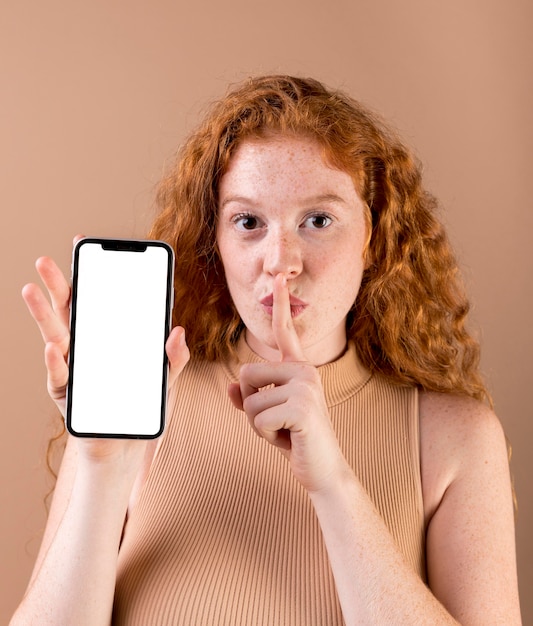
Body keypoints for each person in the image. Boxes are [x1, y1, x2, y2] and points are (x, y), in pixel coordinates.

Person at [12, 75, 521, 625]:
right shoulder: (141, 405)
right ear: (218, 242)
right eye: (248, 222)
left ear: (373, 238)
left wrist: (332, 480)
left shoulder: (455, 439)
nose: (280, 261)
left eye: (318, 221)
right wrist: (100, 468)